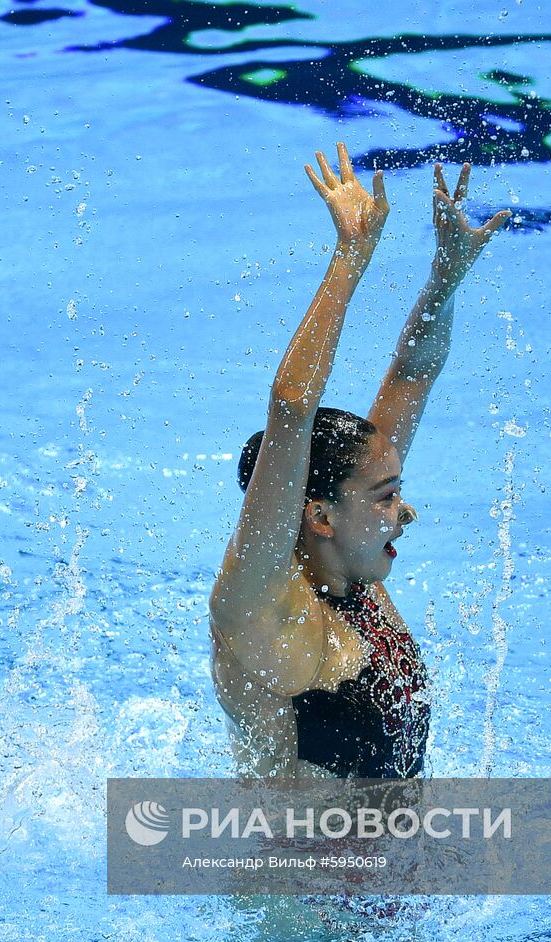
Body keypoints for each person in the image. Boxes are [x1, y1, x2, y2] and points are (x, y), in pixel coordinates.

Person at [210, 143, 511, 780]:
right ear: (318, 514)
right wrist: (352, 255)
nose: (406, 513)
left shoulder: (355, 573)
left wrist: (445, 279)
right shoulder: (265, 609)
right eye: (384, 496)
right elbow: (292, 405)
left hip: (392, 867)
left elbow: (413, 373)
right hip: (299, 878)